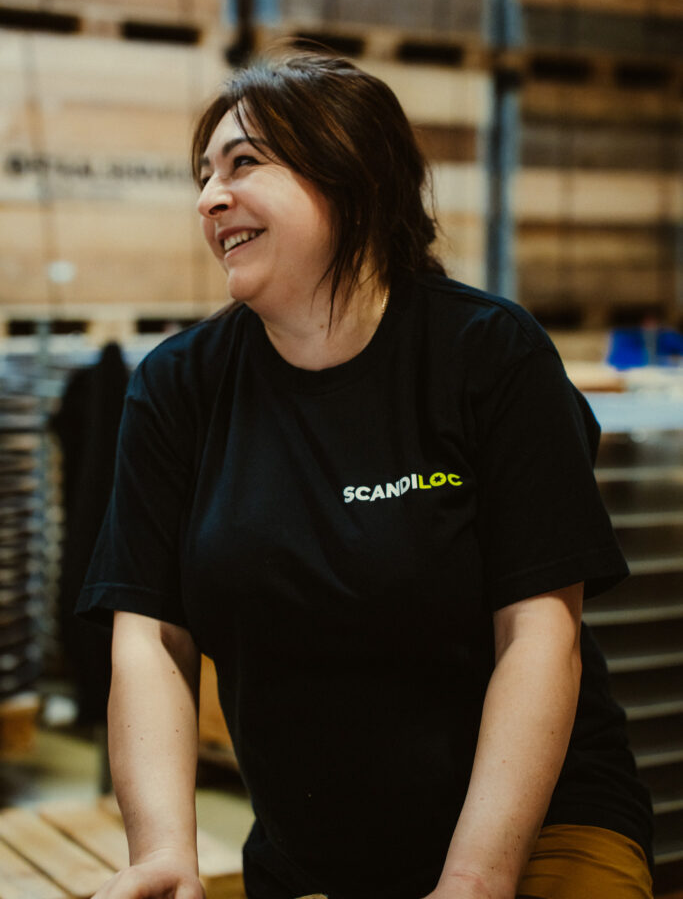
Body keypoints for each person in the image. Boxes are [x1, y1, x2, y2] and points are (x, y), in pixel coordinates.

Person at [77, 50, 654, 899]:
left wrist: (475, 879)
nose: (209, 199)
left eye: (243, 163)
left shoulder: (487, 355)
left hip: (535, 831)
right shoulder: (178, 386)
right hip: (314, 857)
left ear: (351, 174)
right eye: (203, 176)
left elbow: (537, 635)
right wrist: (162, 853)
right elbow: (151, 636)